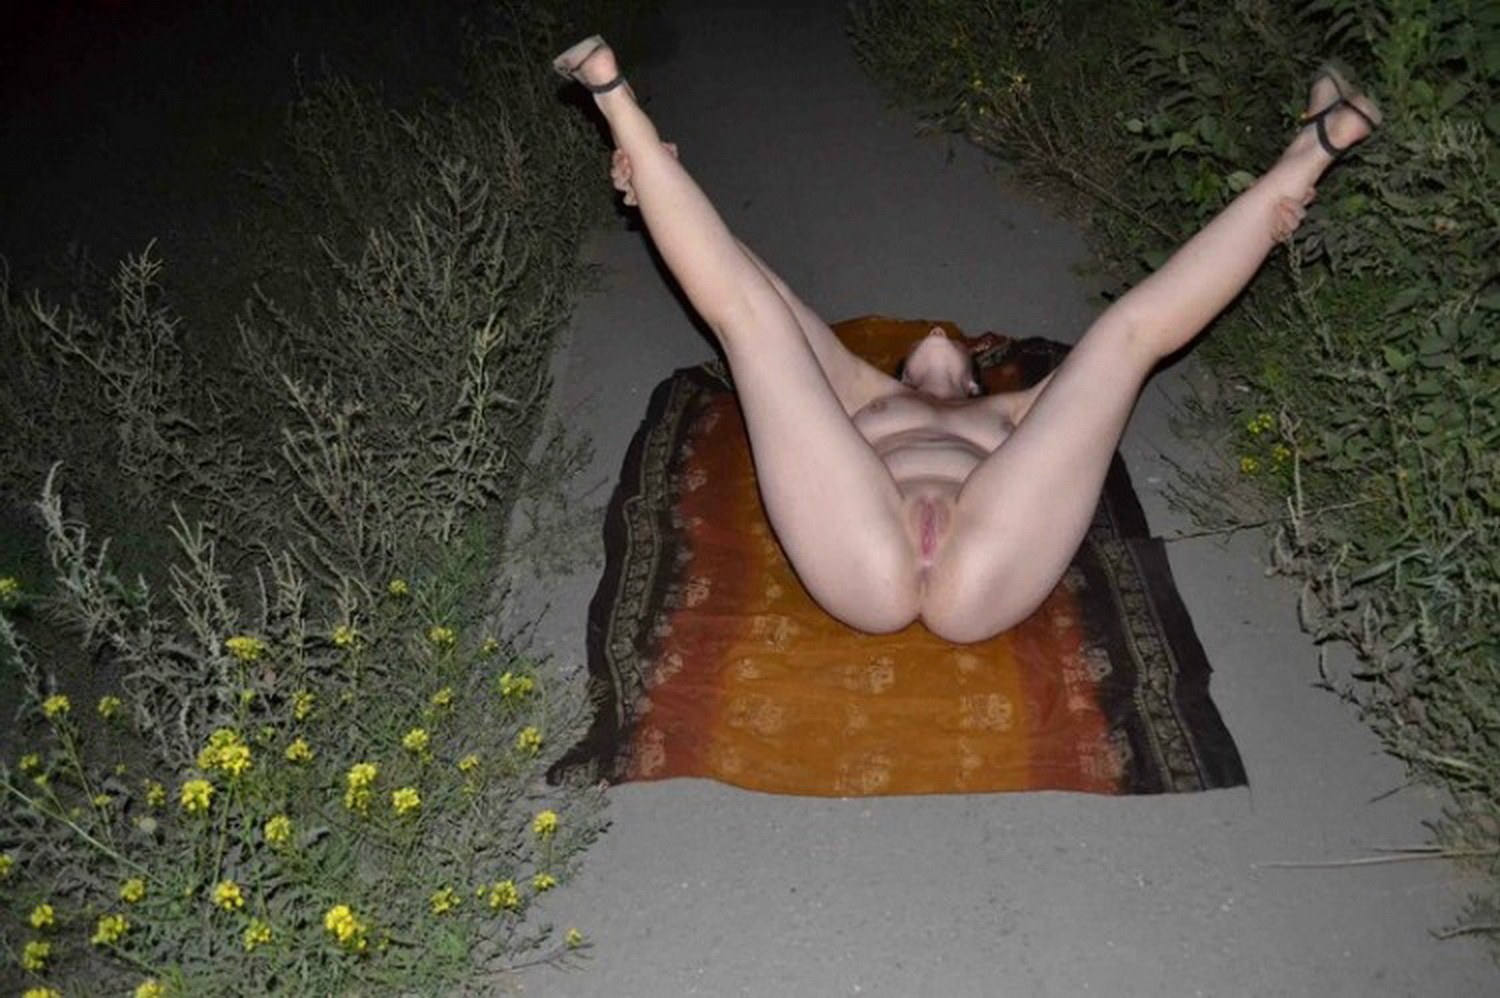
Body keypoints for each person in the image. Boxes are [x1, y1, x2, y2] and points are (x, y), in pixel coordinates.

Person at [552, 35, 1379, 643]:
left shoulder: (1018, 411)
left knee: (1122, 340)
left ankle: (1311, 152)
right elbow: (753, 291)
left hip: (976, 568)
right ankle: (616, 97)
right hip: (864, 550)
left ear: (980, 373)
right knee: (755, 325)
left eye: (944, 335)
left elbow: (1143, 331)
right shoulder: (857, 385)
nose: (939, 329)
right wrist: (658, 180)